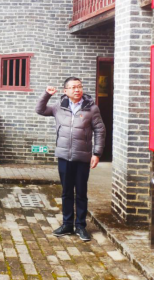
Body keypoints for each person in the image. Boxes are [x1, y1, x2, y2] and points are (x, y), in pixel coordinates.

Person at [36, 77, 106, 242]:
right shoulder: (59, 107)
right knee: (66, 192)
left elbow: (100, 130)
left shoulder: (92, 108)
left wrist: (97, 153)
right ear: (65, 91)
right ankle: (67, 224)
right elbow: (40, 110)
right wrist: (47, 94)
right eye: (73, 87)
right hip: (64, 156)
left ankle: (80, 226)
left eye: (79, 86)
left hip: (82, 157)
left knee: (81, 192)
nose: (77, 90)